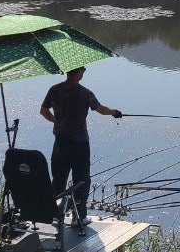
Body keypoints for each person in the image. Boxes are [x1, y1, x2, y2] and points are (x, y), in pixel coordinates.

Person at [39, 65, 121, 232]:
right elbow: (100, 109)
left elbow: (43, 111)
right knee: (81, 180)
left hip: (60, 142)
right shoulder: (85, 93)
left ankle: (54, 215)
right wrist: (114, 112)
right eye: (83, 69)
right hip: (79, 143)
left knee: (59, 179)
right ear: (77, 72)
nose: (84, 72)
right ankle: (79, 217)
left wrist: (57, 121)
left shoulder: (54, 90)